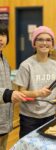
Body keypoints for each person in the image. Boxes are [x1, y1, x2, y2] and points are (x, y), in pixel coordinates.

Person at [13, 26, 56, 138]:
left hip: (50, 115)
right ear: (34, 44)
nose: (44, 43)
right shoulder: (26, 65)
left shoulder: (55, 65)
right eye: (40, 39)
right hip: (29, 118)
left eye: (48, 40)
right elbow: (20, 92)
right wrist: (38, 93)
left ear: (52, 44)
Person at [0, 22, 26, 150]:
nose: (1, 38)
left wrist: (13, 96)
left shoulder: (4, 60)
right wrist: (9, 94)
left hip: (4, 121)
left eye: (3, 34)